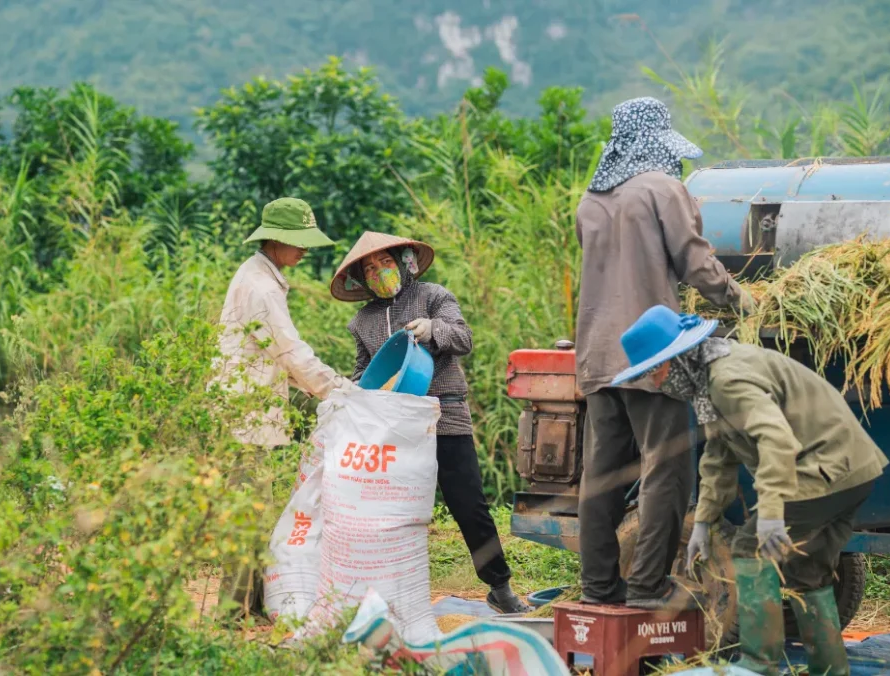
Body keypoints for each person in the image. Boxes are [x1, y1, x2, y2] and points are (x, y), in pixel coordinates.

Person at [612, 304, 888, 676]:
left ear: (675, 360)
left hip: (822, 470)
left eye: (655, 371)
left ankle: (759, 664)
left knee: (747, 547)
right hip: (854, 472)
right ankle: (830, 671)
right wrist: (704, 521)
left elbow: (775, 439)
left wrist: (771, 515)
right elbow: (719, 454)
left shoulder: (726, 380)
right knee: (808, 571)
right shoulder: (710, 378)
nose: (656, 383)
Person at [574, 96, 754, 609]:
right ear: (657, 139)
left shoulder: (591, 200)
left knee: (602, 475)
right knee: (666, 468)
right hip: (652, 355)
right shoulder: (662, 188)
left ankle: (598, 588)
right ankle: (648, 587)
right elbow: (695, 263)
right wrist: (741, 298)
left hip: (597, 355)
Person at [330, 231, 529, 615]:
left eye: (385, 262)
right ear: (362, 280)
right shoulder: (362, 321)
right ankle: (385, 593)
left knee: (468, 504)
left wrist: (432, 329)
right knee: (389, 512)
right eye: (369, 269)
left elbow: (463, 338)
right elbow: (364, 372)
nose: (379, 272)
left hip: (444, 414)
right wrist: (349, 394)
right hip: (394, 428)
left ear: (403, 262)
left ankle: (499, 586)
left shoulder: (432, 296)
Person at [213, 197, 354, 622]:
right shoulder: (260, 288)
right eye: (298, 241)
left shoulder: (260, 277)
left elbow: (275, 357)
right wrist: (339, 390)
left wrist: (324, 389)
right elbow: (291, 353)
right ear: (275, 239)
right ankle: (232, 614)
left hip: (246, 410)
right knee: (247, 515)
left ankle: (248, 606)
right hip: (242, 417)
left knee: (252, 511)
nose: (304, 250)